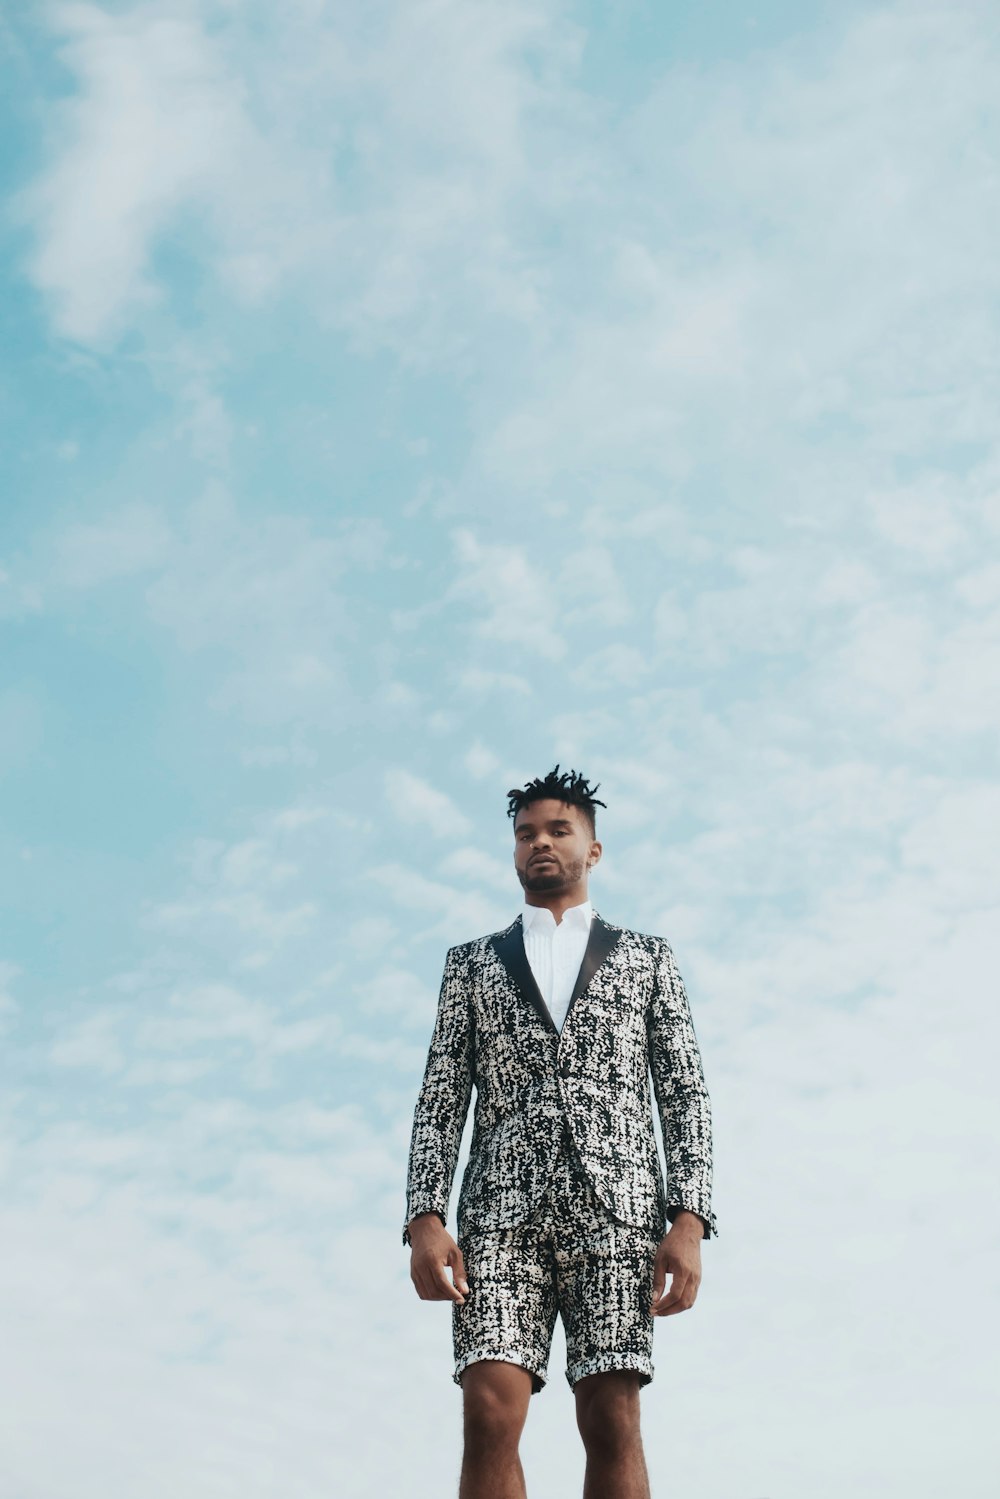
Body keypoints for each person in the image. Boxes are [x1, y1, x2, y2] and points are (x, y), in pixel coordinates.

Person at [403, 766, 717, 1499]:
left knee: (610, 1414)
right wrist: (424, 1217)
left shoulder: (648, 957)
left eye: (556, 830)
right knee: (487, 1406)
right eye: (524, 834)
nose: (538, 843)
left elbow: (685, 1093)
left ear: (593, 849)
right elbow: (441, 1097)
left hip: (618, 1214)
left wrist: (689, 1220)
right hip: (499, 1215)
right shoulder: (471, 964)